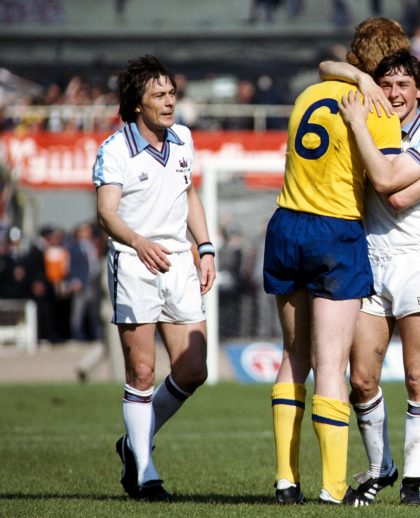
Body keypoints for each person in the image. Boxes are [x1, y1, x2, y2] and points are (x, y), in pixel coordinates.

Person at [263, 17, 412, 507]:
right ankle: (332, 486)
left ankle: (286, 481)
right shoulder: (377, 108)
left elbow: (328, 66)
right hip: (334, 230)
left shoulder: (312, 91)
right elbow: (388, 180)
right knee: (332, 365)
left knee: (293, 358)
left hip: (286, 223)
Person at [326, 49, 420, 506]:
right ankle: (381, 465)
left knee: (417, 376)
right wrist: (359, 80)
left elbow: (394, 193)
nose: (394, 92)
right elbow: (326, 70)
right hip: (370, 257)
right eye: (386, 83)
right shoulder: (373, 120)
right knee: (361, 379)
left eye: (404, 84)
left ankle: (413, 486)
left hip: (415, 261)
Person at [93, 54, 216, 501]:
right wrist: (140, 242)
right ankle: (145, 472)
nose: (169, 102)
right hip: (135, 262)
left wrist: (204, 247)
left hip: (180, 261)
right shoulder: (115, 149)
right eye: (158, 95)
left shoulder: (182, 138)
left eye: (171, 93)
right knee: (142, 371)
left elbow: (190, 194)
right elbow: (106, 214)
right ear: (137, 104)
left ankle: (133, 442)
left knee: (193, 368)